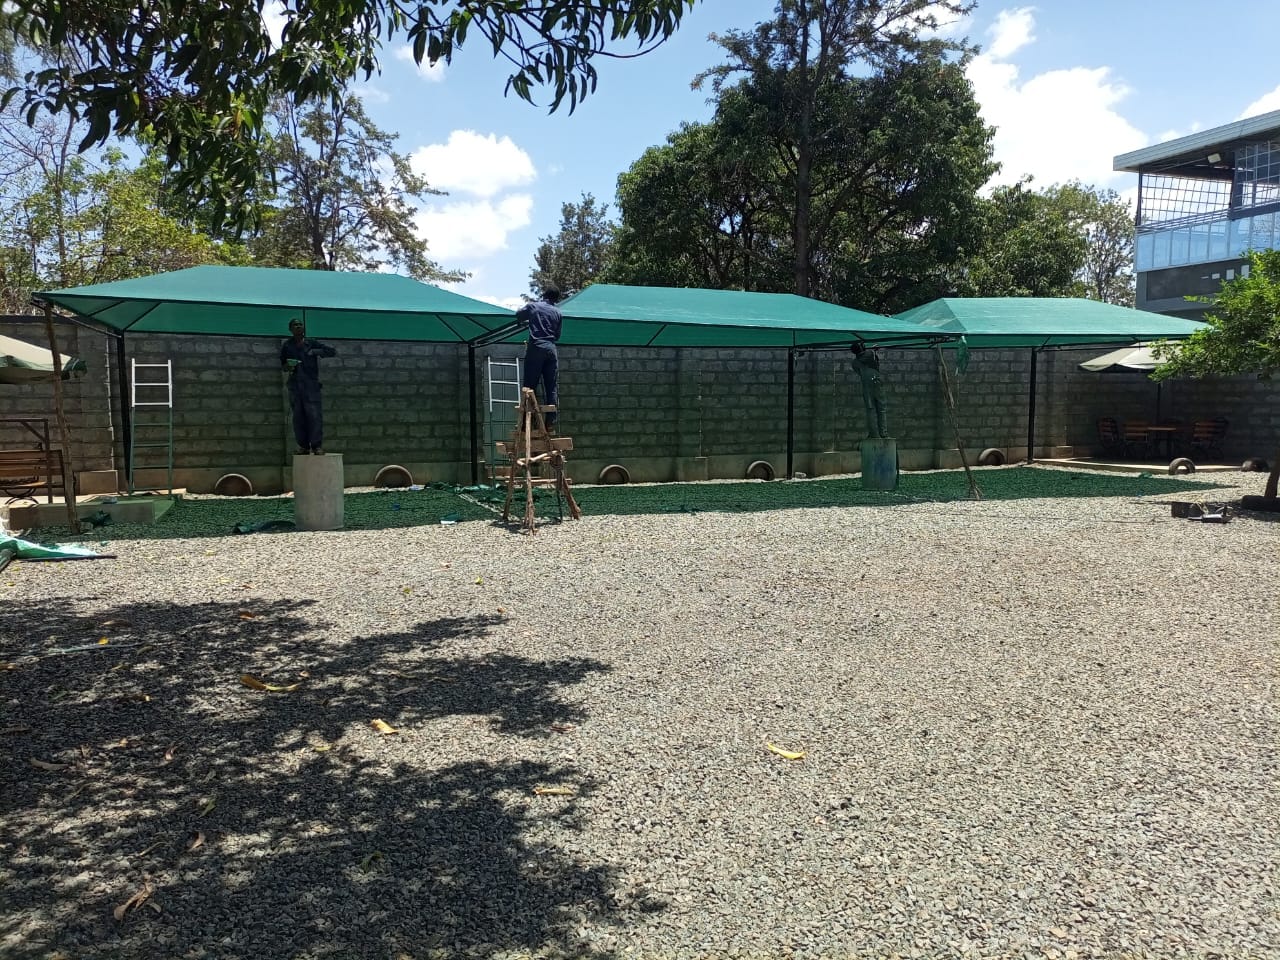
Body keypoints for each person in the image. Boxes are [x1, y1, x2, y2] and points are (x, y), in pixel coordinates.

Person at [280, 318, 336, 454]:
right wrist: (289, 366)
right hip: (295, 386)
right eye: (295, 325)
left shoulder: (311, 343)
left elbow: (332, 352)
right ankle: (303, 446)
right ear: (290, 329)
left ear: (304, 328)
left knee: (314, 416)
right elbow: (284, 366)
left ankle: (316, 446)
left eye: (300, 324)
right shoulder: (287, 346)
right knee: (298, 418)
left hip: (311, 386)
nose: (298, 327)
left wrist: (315, 352)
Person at [517, 284, 564, 430]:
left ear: (544, 295)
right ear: (556, 299)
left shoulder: (534, 307)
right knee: (551, 385)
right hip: (551, 348)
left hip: (537, 346)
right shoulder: (558, 312)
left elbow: (518, 314)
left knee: (529, 386)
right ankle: (551, 420)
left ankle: (527, 422)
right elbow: (557, 335)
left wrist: (529, 321)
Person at [851, 341, 889, 439]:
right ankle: (883, 433)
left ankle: (874, 434)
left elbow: (859, 371)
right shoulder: (869, 353)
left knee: (870, 410)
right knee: (881, 409)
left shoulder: (854, 363)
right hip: (877, 382)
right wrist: (875, 350)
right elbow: (875, 360)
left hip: (866, 386)